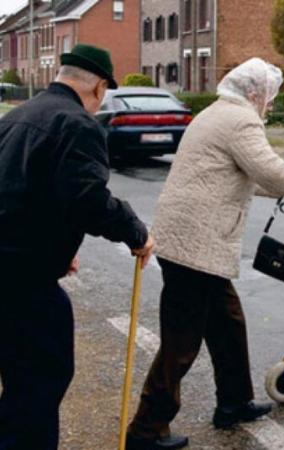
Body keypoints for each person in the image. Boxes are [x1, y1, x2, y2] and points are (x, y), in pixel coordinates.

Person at [125, 58, 284, 450]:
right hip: (195, 244)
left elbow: (246, 174)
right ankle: (146, 429)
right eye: (268, 94)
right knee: (181, 342)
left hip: (190, 240)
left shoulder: (217, 113)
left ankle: (233, 402)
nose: (270, 102)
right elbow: (267, 170)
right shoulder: (239, 119)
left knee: (228, 323)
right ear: (253, 92)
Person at [0, 44, 154, 450]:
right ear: (100, 86)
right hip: (25, 283)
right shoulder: (78, 124)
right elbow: (87, 200)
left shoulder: (17, 117)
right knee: (38, 383)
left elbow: (25, 192)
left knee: (19, 385)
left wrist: (53, 244)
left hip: (9, 272)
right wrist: (136, 232)